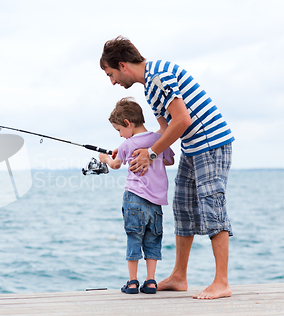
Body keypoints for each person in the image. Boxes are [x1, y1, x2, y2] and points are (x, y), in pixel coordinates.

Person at [99, 35, 235, 300]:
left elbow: (182, 120)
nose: (113, 81)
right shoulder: (150, 88)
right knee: (183, 207)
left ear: (123, 64)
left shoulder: (159, 75)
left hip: (210, 144)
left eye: (111, 74)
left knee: (212, 207)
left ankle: (221, 282)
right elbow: (163, 130)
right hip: (192, 148)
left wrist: (150, 154)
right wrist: (132, 146)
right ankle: (179, 277)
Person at [99, 97, 174, 295]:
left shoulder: (127, 144)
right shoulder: (159, 140)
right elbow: (170, 160)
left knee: (134, 238)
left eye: (119, 131)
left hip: (133, 199)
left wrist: (105, 158)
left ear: (127, 124)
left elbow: (115, 165)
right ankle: (150, 282)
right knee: (152, 240)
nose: (121, 136)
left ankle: (132, 282)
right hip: (156, 203)